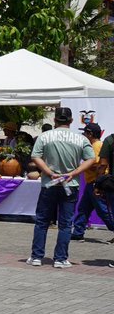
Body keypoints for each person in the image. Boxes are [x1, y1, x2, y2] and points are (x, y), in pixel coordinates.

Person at [28, 107, 95, 268]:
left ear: (55, 120)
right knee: (65, 224)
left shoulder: (45, 136)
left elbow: (35, 156)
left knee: (42, 221)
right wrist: (74, 172)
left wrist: (49, 172)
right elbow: (91, 159)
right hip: (70, 185)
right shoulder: (81, 139)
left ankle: (36, 257)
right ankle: (60, 259)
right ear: (71, 120)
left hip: (49, 184)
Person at [71, 122, 113, 242]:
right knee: (83, 208)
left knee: (103, 211)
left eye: (85, 133)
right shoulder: (95, 145)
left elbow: (99, 164)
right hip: (91, 182)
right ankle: (78, 232)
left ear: (90, 134)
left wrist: (83, 166)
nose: (83, 135)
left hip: (97, 182)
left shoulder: (96, 146)